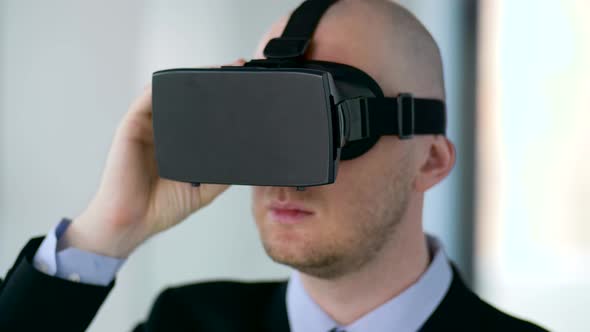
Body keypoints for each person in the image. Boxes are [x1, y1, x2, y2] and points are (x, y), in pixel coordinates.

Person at [0, 0, 547, 331]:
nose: (283, 176)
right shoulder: (185, 327)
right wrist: (107, 230)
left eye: (325, 129)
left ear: (429, 160)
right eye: (266, 123)